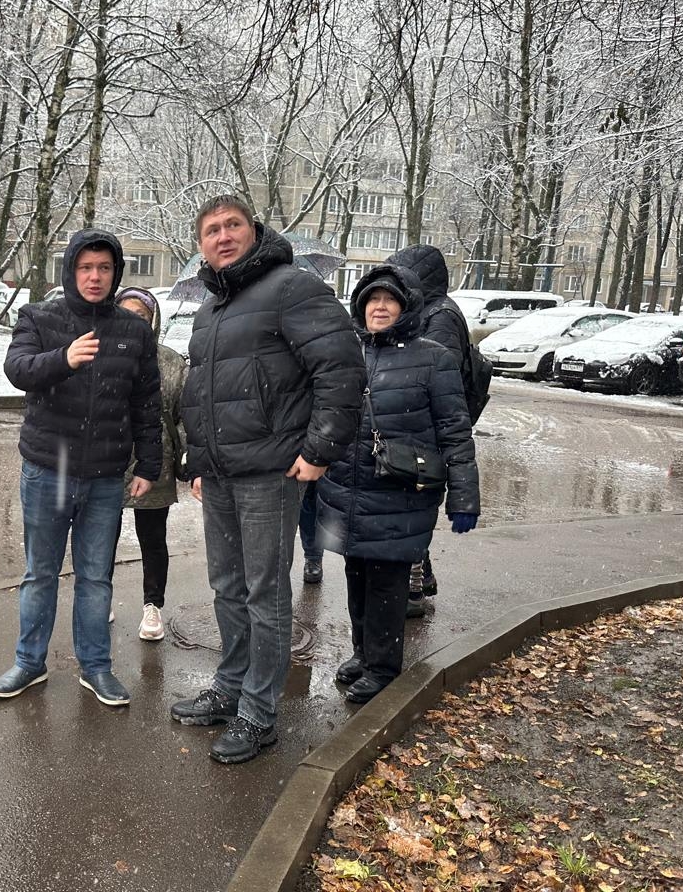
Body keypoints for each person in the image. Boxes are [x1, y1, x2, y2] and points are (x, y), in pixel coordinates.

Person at [174, 195, 366, 764]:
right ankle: (229, 688)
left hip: (271, 472)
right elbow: (201, 394)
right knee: (227, 587)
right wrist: (198, 463)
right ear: (201, 245)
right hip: (221, 475)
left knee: (264, 592)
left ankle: (259, 713)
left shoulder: (291, 287)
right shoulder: (211, 309)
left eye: (232, 224)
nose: (222, 236)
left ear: (253, 231)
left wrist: (319, 450)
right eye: (211, 230)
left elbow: (340, 366)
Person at [0, 229, 162, 708]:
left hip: (105, 476)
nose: (95, 277)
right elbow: (17, 369)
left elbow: (146, 402)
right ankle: (29, 662)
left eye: (104, 268)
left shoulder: (134, 331)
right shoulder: (39, 317)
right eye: (86, 268)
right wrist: (63, 359)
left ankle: (96, 666)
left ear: (116, 273)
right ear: (71, 271)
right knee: (40, 573)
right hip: (47, 470)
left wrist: (149, 463)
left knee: (95, 577)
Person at [315, 263, 480, 704]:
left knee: (387, 584)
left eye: (390, 299)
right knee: (356, 576)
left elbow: (455, 431)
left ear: (406, 307)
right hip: (348, 490)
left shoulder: (434, 359)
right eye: (373, 299)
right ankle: (363, 653)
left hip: (399, 492)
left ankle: (384, 668)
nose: (380, 306)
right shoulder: (348, 353)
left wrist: (464, 496)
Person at [384, 244, 475, 617]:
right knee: (408, 506)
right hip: (418, 425)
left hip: (426, 430)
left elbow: (435, 376)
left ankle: (413, 590)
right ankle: (421, 579)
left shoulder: (440, 317)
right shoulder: (431, 311)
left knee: (412, 508)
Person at [109, 286, 187, 642]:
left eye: (140, 315)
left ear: (153, 320)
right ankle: (100, 596)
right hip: (107, 460)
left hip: (156, 461)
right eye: (125, 313)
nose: (132, 321)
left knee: (153, 538)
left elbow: (184, 414)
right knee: (101, 537)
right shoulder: (101, 353)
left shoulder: (170, 362)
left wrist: (186, 453)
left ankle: (153, 604)